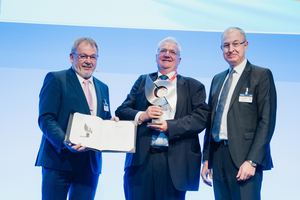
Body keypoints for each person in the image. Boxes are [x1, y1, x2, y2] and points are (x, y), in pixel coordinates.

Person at [115, 37, 210, 200]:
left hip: (174, 163)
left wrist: (170, 126)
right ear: (156, 57)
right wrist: (142, 115)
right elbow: (122, 110)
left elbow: (200, 118)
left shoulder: (194, 86)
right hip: (141, 162)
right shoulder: (143, 81)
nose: (167, 54)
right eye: (163, 51)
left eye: (172, 52)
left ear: (179, 59)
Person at [35, 37, 118, 200]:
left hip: (89, 165)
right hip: (59, 160)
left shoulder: (103, 87)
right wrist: (66, 141)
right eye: (83, 56)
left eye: (93, 57)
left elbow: (102, 119)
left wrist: (111, 125)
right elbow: (46, 118)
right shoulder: (56, 79)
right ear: (72, 57)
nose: (88, 61)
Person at [201, 27, 277, 200]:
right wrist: (207, 159)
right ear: (221, 49)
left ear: (246, 45)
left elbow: (267, 122)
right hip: (218, 156)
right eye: (226, 45)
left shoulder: (261, 75)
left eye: (236, 44)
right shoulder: (217, 79)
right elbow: (210, 121)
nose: (231, 49)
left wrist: (252, 161)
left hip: (245, 158)